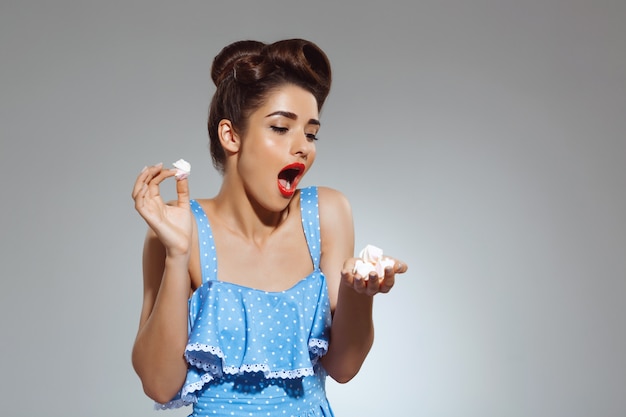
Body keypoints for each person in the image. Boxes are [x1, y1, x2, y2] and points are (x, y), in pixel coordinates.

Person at [130, 38, 408, 417]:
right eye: (281, 128)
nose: (303, 148)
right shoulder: (181, 228)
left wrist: (360, 292)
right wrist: (178, 255)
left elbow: (344, 368)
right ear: (231, 136)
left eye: (310, 134)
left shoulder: (326, 213)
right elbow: (159, 384)